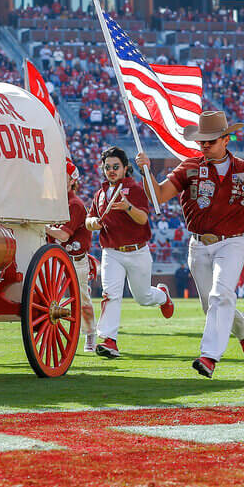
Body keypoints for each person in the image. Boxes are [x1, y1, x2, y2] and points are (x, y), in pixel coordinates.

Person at [137, 110, 244, 379]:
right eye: (202, 141)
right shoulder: (189, 167)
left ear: (226, 139)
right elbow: (158, 196)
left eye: (211, 140)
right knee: (211, 305)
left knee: (220, 296)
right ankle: (242, 327)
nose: (205, 145)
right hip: (198, 244)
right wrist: (145, 170)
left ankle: (208, 357)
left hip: (233, 242)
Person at [83, 146, 173, 358]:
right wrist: (93, 222)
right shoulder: (100, 193)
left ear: (125, 168)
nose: (111, 171)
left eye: (116, 167)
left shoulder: (135, 189)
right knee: (110, 294)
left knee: (143, 297)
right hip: (111, 251)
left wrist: (128, 208)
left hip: (137, 251)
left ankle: (162, 296)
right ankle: (109, 340)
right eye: (107, 167)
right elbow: (88, 221)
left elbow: (143, 218)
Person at [45, 160, 94, 351]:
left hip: (74, 260)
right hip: (55, 259)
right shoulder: (52, 202)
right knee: (48, 299)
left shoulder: (75, 204)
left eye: (62, 175)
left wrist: (45, 227)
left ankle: (90, 334)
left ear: (72, 180)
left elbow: (64, 235)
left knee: (81, 300)